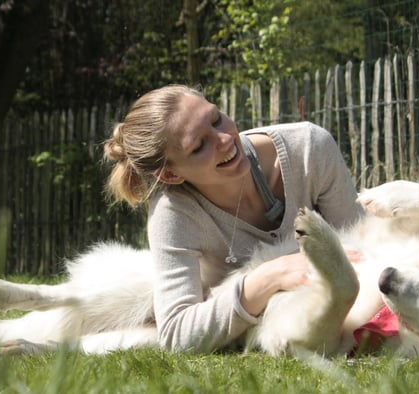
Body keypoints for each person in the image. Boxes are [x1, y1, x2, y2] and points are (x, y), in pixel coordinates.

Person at [103, 85, 364, 353]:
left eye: (216, 119)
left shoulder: (310, 149)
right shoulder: (173, 213)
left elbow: (366, 251)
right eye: (200, 145)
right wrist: (269, 277)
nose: (224, 139)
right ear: (170, 175)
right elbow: (176, 333)